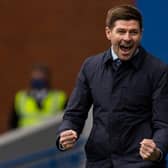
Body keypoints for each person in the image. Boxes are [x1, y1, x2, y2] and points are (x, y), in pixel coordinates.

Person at [56, 5, 168, 168]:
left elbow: (164, 124)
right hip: (99, 163)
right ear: (108, 33)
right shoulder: (91, 66)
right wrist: (65, 133)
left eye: (133, 32)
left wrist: (157, 149)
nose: (128, 38)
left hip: (140, 164)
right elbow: (74, 114)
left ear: (141, 34)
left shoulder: (158, 71)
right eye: (121, 31)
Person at [10, 64, 67, 128]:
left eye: (41, 76)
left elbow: (67, 119)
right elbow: (13, 123)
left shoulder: (59, 97)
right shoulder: (21, 98)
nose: (38, 79)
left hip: (51, 134)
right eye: (35, 76)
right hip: (27, 135)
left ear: (47, 78)